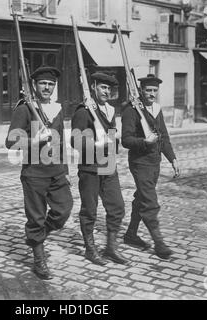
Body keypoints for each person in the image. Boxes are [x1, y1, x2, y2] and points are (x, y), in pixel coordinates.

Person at [5, 66, 73, 280]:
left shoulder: (57, 109)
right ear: (34, 85)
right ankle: (39, 258)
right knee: (36, 216)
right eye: (43, 83)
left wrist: (66, 170)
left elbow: (61, 142)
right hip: (34, 173)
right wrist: (35, 140)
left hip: (56, 171)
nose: (47, 87)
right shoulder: (25, 108)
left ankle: (37, 236)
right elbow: (10, 142)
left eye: (51, 84)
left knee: (64, 209)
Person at [71, 72, 127, 266]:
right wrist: (95, 143)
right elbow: (75, 140)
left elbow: (112, 139)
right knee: (90, 210)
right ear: (93, 87)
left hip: (108, 165)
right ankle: (90, 249)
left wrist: (114, 138)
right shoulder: (83, 111)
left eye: (109, 88)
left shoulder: (110, 110)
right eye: (102, 87)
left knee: (117, 206)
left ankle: (111, 247)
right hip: (90, 168)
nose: (106, 91)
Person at [121, 74, 180, 259]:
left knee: (142, 197)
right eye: (148, 90)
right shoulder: (132, 110)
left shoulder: (156, 109)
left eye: (155, 90)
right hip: (140, 163)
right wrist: (145, 142)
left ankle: (130, 234)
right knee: (150, 202)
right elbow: (126, 140)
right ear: (141, 91)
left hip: (155, 163)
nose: (152, 94)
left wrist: (173, 159)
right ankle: (159, 243)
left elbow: (164, 136)